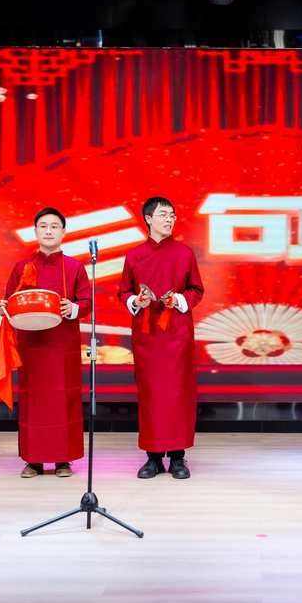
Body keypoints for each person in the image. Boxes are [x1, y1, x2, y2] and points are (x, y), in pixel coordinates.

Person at [0, 207, 91, 479]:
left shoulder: (75, 267)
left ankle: (63, 460)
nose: (49, 231)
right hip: (32, 346)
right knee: (34, 402)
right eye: (43, 226)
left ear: (63, 232)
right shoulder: (22, 267)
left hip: (63, 346)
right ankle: (33, 460)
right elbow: (10, 300)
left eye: (54, 226)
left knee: (63, 401)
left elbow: (86, 302)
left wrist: (72, 307)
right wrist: (2, 307)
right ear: (35, 232)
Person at [117, 196, 204, 480]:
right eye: (164, 214)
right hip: (147, 335)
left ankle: (178, 456)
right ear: (148, 219)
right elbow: (124, 291)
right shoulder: (134, 255)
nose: (169, 219)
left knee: (178, 394)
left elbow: (196, 290)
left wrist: (178, 299)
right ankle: (153, 457)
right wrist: (136, 300)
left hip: (177, 333)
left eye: (172, 215)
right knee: (151, 395)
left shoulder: (184, 253)